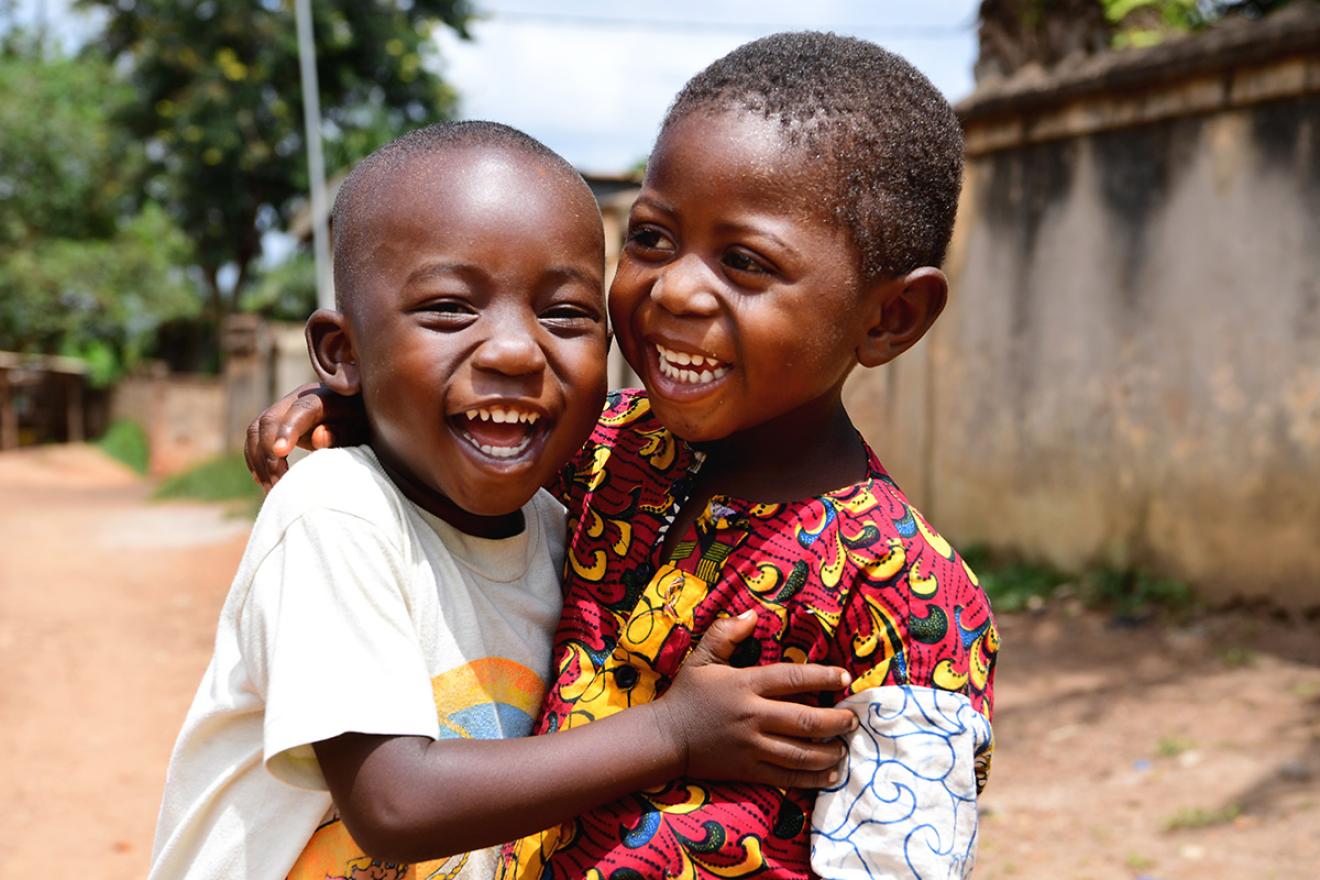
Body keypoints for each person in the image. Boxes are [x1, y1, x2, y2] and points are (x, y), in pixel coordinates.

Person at [249, 33, 1000, 879]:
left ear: (890, 318)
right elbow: (462, 438)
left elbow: (907, 857)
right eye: (651, 239)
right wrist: (357, 400)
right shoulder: (608, 451)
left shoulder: (909, 594)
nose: (676, 289)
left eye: (744, 262)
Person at [151, 121, 862, 880]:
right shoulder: (336, 511)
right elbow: (394, 805)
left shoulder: (574, 529)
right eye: (451, 310)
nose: (517, 351)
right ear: (343, 354)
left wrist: (382, 400)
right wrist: (675, 734)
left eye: (564, 315)